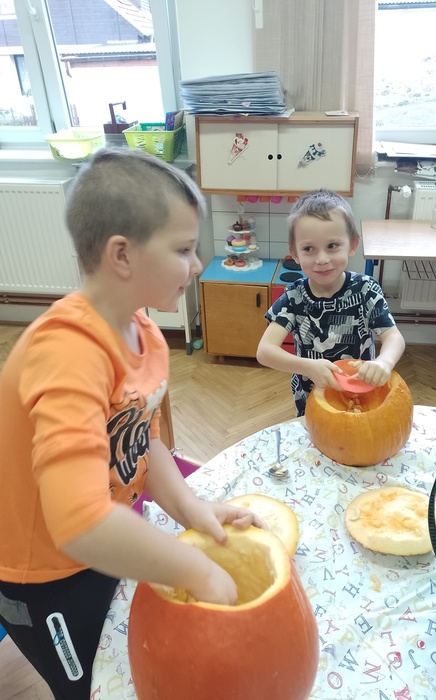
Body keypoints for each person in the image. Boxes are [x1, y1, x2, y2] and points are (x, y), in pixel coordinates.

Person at [0, 148, 264, 700]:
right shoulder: (68, 353)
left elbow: (140, 440)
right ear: (122, 255)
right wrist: (195, 570)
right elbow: (80, 524)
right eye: (184, 250)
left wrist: (190, 508)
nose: (197, 265)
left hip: (108, 538)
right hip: (44, 575)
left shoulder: (144, 332)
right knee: (88, 685)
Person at [257, 189, 406, 416]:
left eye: (332, 246)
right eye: (309, 249)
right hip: (312, 400)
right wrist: (308, 366)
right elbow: (265, 351)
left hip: (362, 396)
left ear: (353, 244)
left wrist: (384, 362)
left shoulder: (366, 290)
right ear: (295, 253)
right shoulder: (294, 297)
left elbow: (393, 337)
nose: (322, 259)